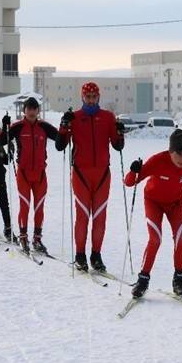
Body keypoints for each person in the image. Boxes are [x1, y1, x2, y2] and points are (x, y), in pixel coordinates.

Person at [123, 129, 182, 299]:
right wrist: (133, 170)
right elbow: (130, 182)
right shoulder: (158, 160)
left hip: (176, 204)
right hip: (153, 202)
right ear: (170, 151)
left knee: (180, 238)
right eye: (178, 154)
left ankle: (179, 281)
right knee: (155, 239)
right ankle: (142, 280)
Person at [60, 82, 125, 272]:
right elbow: (60, 145)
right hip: (81, 174)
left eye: (93, 97)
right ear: (82, 97)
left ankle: (96, 255)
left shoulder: (107, 117)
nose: (90, 100)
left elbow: (117, 146)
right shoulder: (75, 117)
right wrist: (64, 125)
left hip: (103, 175)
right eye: (87, 97)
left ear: (98, 97)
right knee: (82, 217)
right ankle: (80, 255)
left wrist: (120, 133)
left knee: (99, 218)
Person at [4, 97, 68, 253]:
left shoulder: (44, 127)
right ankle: (23, 237)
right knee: (24, 206)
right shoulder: (18, 127)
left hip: (40, 175)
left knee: (39, 208)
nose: (31, 112)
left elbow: (60, 144)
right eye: (29, 109)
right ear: (24, 110)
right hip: (24, 174)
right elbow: (1, 142)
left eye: (34, 109)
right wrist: (4, 126)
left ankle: (37, 239)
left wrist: (64, 126)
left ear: (38, 111)